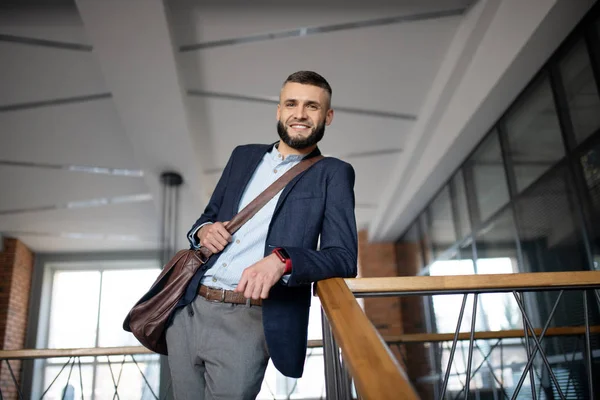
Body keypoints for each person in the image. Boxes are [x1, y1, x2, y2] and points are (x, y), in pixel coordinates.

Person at [165, 71, 358, 400]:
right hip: (190, 311)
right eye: (291, 104)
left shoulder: (333, 173)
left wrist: (284, 260)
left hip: (249, 320)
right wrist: (204, 231)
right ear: (279, 111)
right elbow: (207, 218)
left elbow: (343, 257)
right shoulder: (243, 156)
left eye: (312, 106)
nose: (299, 113)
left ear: (328, 116)